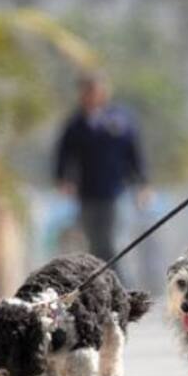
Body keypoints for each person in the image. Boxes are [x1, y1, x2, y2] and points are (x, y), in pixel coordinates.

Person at [54, 74, 150, 270]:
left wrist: (143, 184)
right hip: (87, 193)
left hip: (115, 191)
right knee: (94, 243)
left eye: (95, 91)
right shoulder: (76, 124)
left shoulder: (120, 120)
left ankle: (122, 290)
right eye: (87, 91)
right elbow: (64, 153)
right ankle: (102, 288)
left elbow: (134, 154)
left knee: (112, 242)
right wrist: (63, 179)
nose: (91, 96)